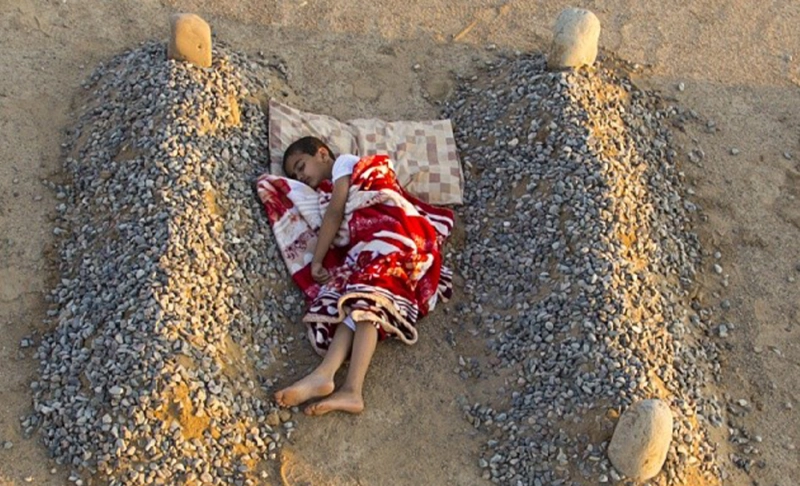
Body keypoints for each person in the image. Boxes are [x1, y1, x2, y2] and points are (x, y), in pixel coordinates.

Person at [264, 136, 454, 416]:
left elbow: (336, 212)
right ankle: (325, 374)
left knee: (369, 298)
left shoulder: (345, 164)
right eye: (295, 175)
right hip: (373, 244)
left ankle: (352, 390)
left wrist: (318, 260)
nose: (301, 177)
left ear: (322, 154)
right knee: (357, 301)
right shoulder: (325, 188)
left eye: (302, 167)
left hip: (395, 233)